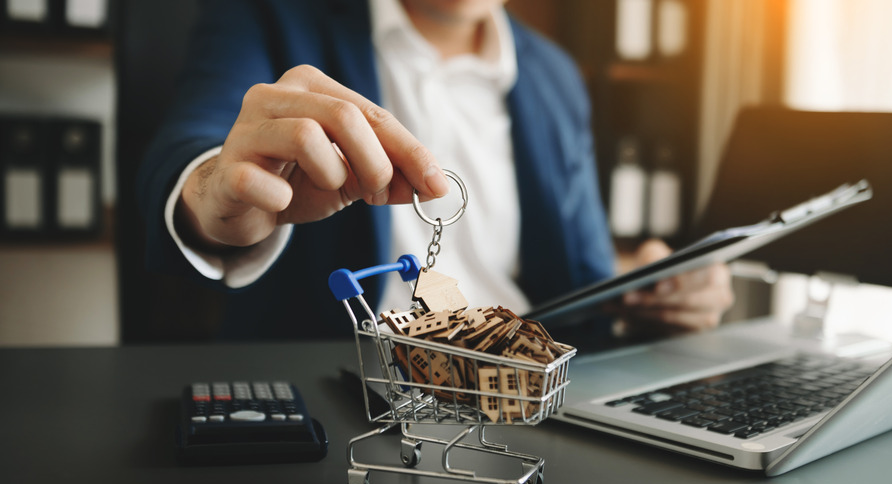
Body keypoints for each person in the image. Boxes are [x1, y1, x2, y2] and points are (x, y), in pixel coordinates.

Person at [137, 0, 733, 341]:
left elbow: (577, 275)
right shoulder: (268, 17)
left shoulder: (555, 75)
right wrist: (221, 192)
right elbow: (193, 149)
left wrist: (652, 284)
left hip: (526, 397)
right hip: (348, 395)